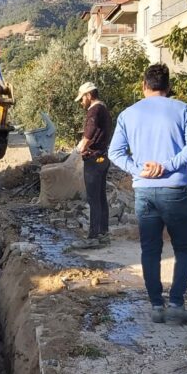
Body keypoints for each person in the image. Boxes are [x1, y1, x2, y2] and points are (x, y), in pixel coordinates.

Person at [108, 64, 187, 325]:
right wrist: (169, 165)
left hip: (144, 192)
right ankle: (176, 304)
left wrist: (139, 170)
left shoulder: (128, 114)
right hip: (174, 189)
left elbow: (114, 153)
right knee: (184, 248)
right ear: (168, 86)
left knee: (150, 250)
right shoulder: (182, 109)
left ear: (144, 85)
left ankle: (156, 307)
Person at [72, 82, 113, 249]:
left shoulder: (94, 110)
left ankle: (93, 236)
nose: (82, 103)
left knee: (93, 199)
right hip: (103, 158)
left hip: (94, 160)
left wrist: (80, 147)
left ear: (88, 95)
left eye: (82, 99)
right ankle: (104, 234)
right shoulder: (104, 109)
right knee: (101, 197)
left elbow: (89, 130)